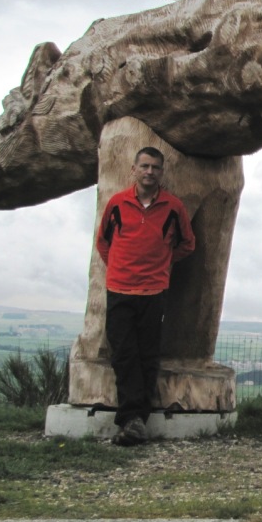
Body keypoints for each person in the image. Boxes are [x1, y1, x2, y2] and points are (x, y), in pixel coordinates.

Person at [96, 147, 195, 446]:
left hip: (153, 292)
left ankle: (135, 421)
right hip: (119, 290)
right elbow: (103, 242)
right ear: (134, 169)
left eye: (155, 167)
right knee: (123, 354)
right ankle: (132, 419)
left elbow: (187, 244)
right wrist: (118, 267)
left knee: (147, 356)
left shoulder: (173, 207)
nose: (149, 171)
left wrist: (162, 263)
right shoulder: (117, 203)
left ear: (162, 172)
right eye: (144, 166)